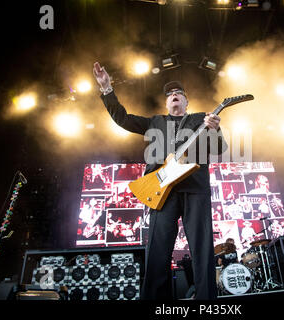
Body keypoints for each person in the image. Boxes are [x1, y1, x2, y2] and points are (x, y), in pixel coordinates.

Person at [93, 62, 227, 300]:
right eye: (170, 95)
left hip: (195, 188)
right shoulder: (154, 122)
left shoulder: (201, 118)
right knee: (157, 249)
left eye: (179, 94)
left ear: (186, 102)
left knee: (202, 247)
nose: (174, 96)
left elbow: (219, 148)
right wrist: (107, 89)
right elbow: (122, 118)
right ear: (166, 104)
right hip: (161, 189)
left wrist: (215, 129)